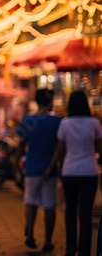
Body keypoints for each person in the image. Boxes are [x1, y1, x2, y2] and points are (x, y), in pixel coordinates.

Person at [43, 90, 102, 256]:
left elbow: (60, 150)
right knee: (86, 213)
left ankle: (70, 248)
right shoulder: (94, 123)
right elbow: (99, 148)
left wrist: (50, 167)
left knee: (70, 211)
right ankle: (84, 250)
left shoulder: (65, 123)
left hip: (69, 171)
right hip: (90, 171)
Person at [15, 88, 61, 253]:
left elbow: (21, 143)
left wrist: (17, 161)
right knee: (49, 205)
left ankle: (30, 235)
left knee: (31, 202)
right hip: (50, 170)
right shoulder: (57, 122)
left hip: (32, 167)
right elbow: (59, 147)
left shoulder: (28, 119)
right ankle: (48, 240)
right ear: (50, 102)